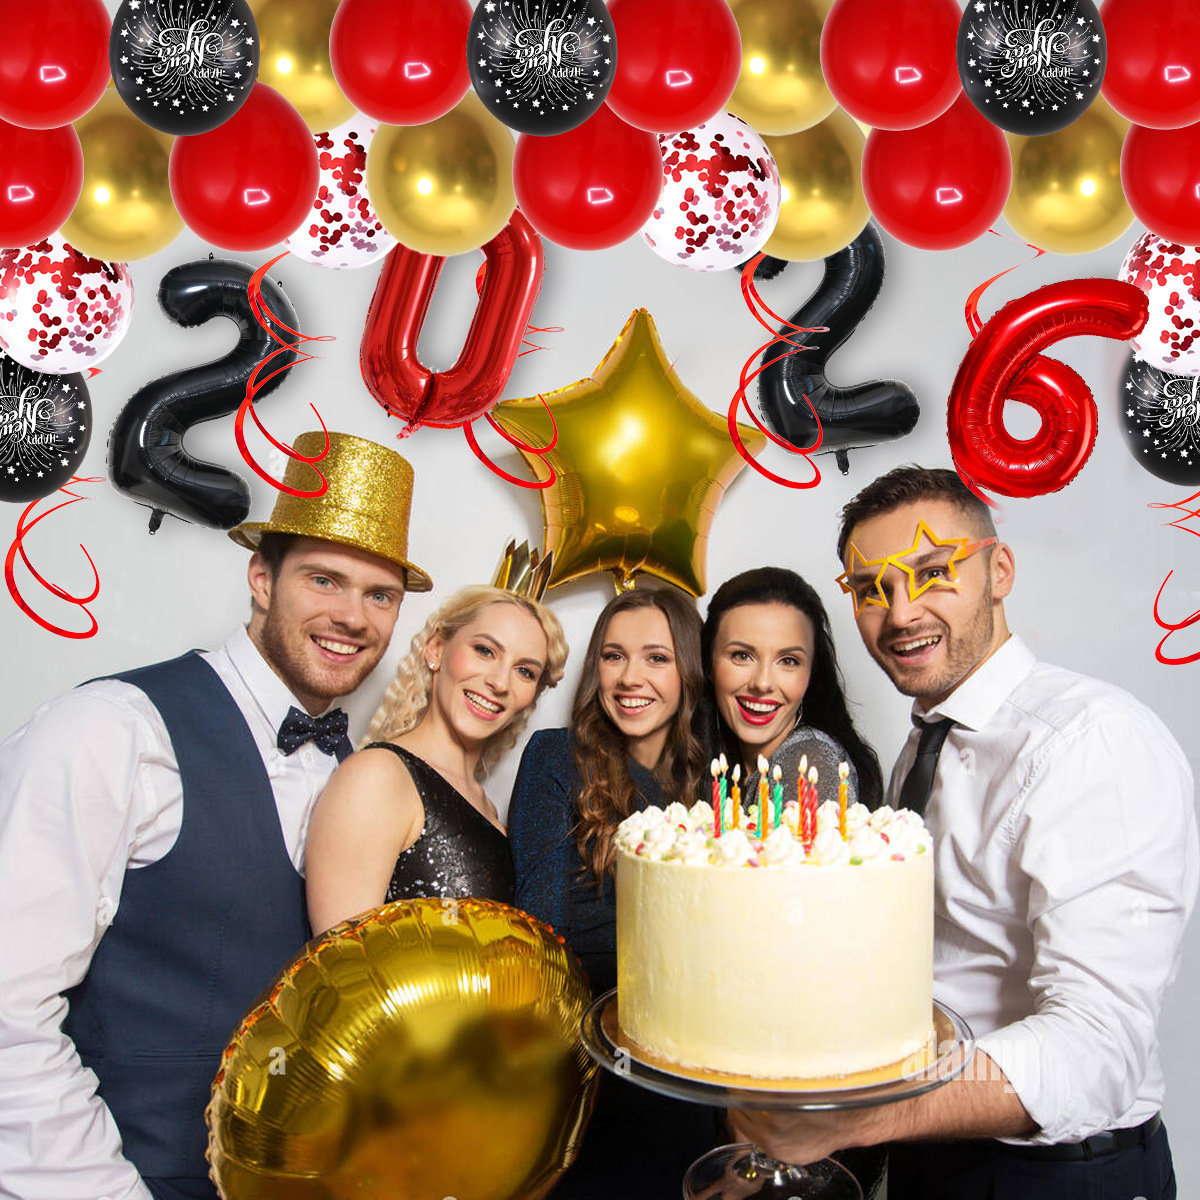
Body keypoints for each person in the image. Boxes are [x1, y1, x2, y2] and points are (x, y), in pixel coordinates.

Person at [733, 465, 1198, 1200]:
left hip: (1059, 1173)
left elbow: (1098, 1047)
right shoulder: (926, 743)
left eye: (932, 572)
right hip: (933, 1147)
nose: (900, 613)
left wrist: (861, 1115)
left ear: (999, 569)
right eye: (871, 589)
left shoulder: (1091, 742)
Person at [0, 431, 432, 1200]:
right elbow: (9, 1013)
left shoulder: (361, 775)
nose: (353, 617)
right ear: (261, 578)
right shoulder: (112, 728)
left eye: (380, 595)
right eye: (324, 580)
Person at [508, 587, 718, 1199]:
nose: (630, 677)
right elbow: (541, 937)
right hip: (594, 1081)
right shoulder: (556, 758)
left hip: (694, 1083)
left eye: (657, 657)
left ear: (689, 672)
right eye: (613, 655)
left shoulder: (710, 789)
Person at [305, 581, 568, 934]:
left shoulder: (489, 810)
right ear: (436, 649)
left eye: (525, 671)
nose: (500, 682)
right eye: (485, 651)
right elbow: (342, 960)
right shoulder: (377, 777)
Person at [702, 566, 883, 810]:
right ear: (709, 663)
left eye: (788, 661)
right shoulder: (721, 759)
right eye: (742, 656)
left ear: (811, 673)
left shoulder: (809, 764)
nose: (762, 683)